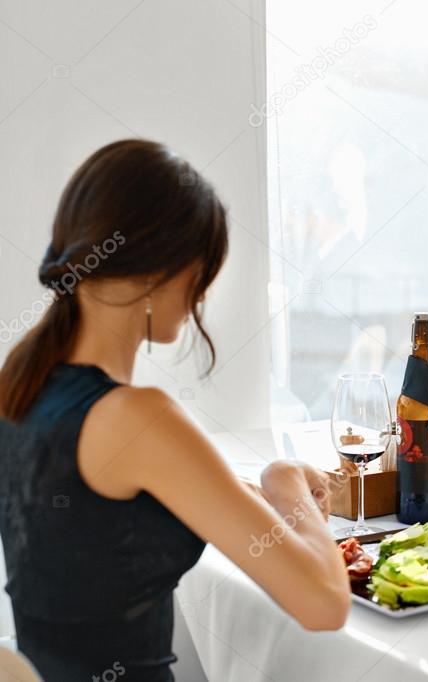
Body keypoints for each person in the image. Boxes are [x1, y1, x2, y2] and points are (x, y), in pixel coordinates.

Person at [0, 139, 352, 681]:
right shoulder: (135, 417)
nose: (201, 297)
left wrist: (257, 494)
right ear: (157, 272)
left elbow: (113, 516)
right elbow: (325, 603)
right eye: (200, 273)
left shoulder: (19, 383)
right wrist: (286, 482)